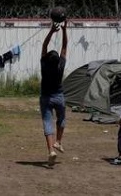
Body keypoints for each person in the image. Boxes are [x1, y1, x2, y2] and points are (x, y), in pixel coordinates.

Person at [40, 21, 67, 167]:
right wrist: (64, 30)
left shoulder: (44, 64)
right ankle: (58, 141)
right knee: (61, 118)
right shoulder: (60, 66)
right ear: (57, 60)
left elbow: (44, 46)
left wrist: (51, 31)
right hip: (58, 96)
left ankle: (51, 150)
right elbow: (64, 46)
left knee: (47, 122)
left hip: (45, 97)